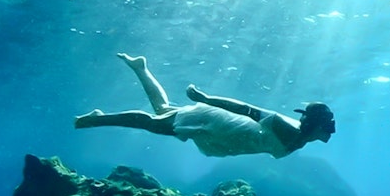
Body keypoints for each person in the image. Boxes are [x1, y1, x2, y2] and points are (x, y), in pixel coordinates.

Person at [75, 53, 335, 158]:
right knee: (154, 124)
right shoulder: (285, 127)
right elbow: (245, 108)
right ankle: (99, 118)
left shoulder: (302, 138)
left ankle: (141, 68)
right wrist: (206, 99)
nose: (330, 133)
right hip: (219, 124)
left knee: (162, 112)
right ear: (315, 126)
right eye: (328, 128)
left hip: (228, 136)